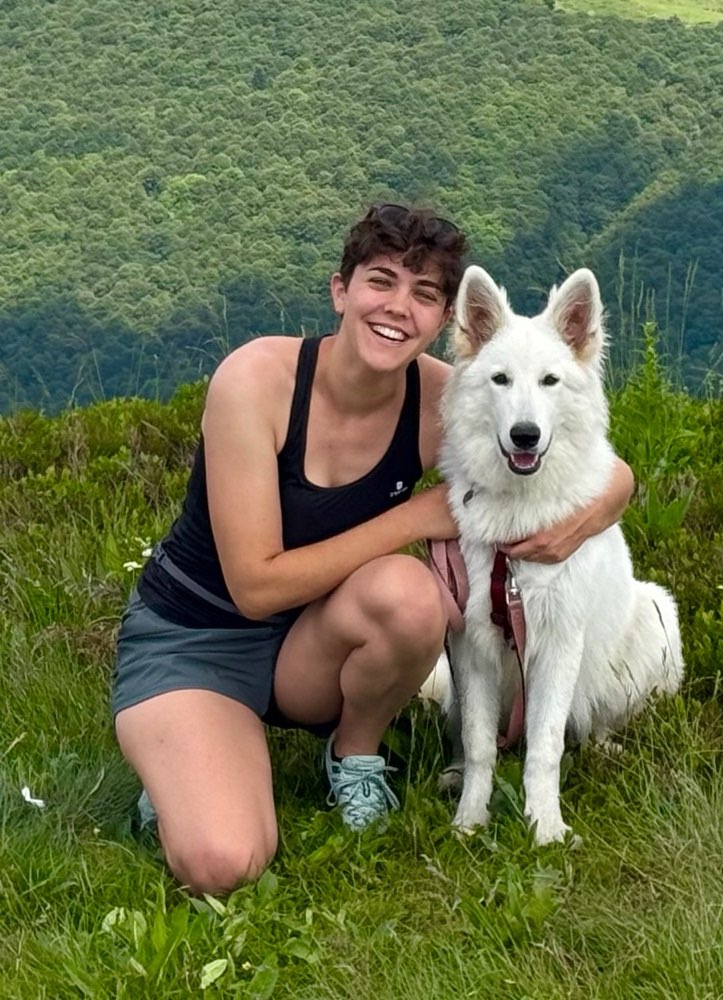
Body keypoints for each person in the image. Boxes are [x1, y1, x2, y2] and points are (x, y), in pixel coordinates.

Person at [112, 203, 635, 895]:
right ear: (340, 290)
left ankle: (351, 756)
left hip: (308, 640)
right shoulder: (256, 383)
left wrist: (600, 506)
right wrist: (415, 519)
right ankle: (183, 772)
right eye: (380, 281)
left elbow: (568, 433)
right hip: (197, 635)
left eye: (423, 294)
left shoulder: (456, 397)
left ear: (448, 320)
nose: (396, 308)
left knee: (413, 597)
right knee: (224, 862)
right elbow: (254, 589)